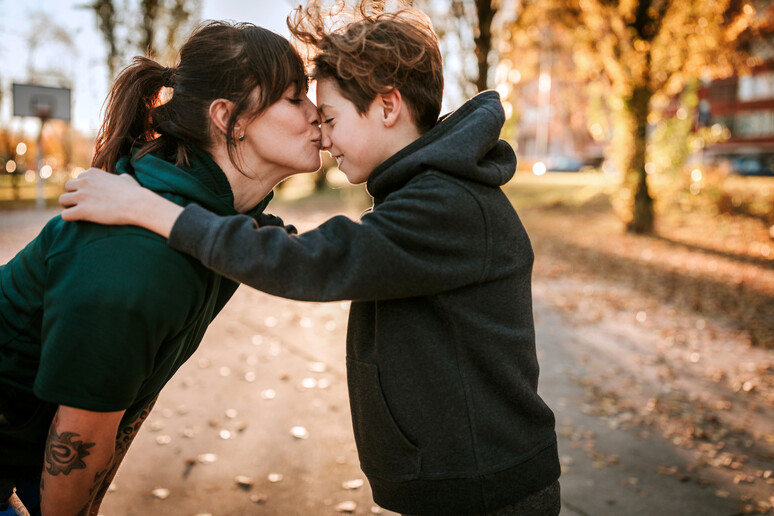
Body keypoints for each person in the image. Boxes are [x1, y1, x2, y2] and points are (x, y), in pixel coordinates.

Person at [59, 2, 561, 515]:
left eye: (330, 117)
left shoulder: (446, 204)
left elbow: (312, 262)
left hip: (484, 491)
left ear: (387, 108)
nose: (323, 135)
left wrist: (158, 212)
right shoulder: (429, 193)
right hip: (463, 482)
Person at [0, 20, 322, 516]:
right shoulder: (139, 257)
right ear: (230, 119)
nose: (317, 113)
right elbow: (81, 437)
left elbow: (126, 396)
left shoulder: (220, 224)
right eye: (295, 97)